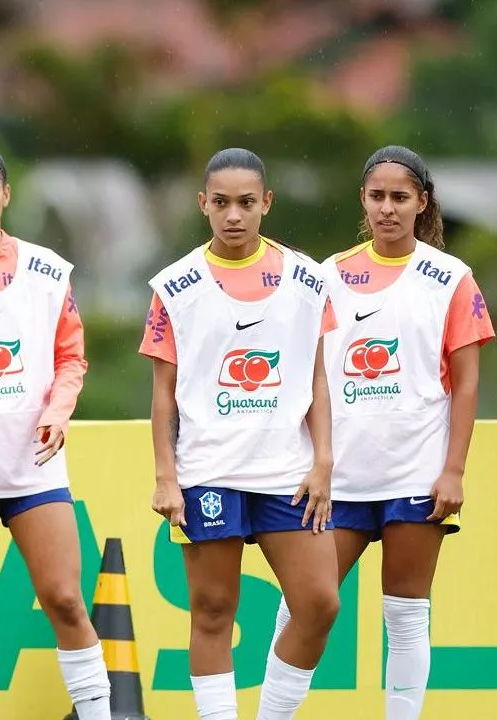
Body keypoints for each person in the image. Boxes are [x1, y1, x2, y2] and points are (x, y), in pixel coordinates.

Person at [269, 145, 495, 720]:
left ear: (422, 202)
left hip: (416, 472)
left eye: (400, 197)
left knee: (406, 612)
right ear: (363, 201)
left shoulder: (450, 278)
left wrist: (454, 470)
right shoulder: (328, 275)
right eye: (377, 197)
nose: (388, 209)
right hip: (338, 479)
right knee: (303, 606)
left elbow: (466, 384)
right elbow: (301, 370)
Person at [141, 148, 339, 720]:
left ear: (266, 204)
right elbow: (162, 393)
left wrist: (323, 461)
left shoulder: (307, 280)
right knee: (212, 612)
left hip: (287, 473)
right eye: (221, 203)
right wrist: (166, 477)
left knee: (320, 605)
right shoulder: (175, 286)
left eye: (246, 203)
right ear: (203, 204)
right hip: (208, 471)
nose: (234, 215)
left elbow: (317, 378)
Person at [0, 142, 110, 720]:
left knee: (64, 600)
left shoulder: (47, 270)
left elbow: (71, 357)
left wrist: (59, 411)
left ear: (7, 194)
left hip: (34, 467)